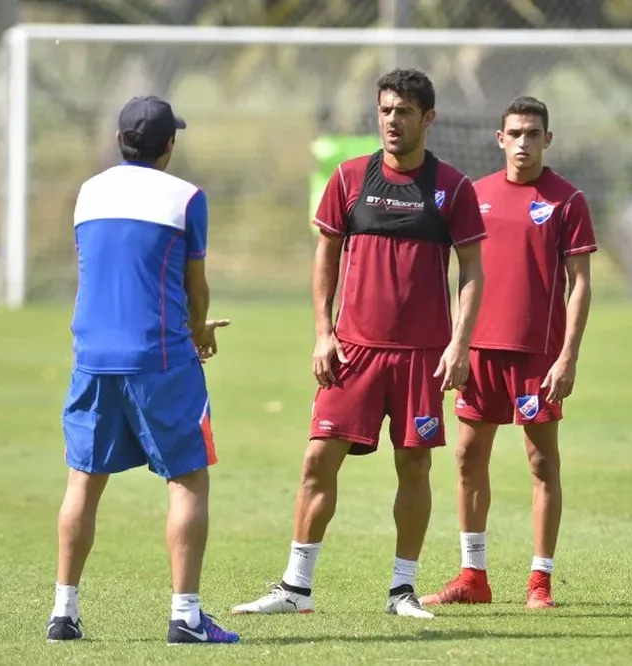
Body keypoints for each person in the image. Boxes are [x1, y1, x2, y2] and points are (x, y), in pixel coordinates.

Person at [230, 69, 486, 619]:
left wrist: (460, 345)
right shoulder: (348, 178)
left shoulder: (453, 187)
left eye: (405, 112)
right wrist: (323, 333)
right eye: (386, 110)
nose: (393, 120)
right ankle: (295, 588)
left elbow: (471, 271)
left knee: (414, 467)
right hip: (353, 352)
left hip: (421, 356)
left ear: (428, 119)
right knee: (317, 459)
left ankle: (402, 591)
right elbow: (325, 257)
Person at [45, 95, 239, 645]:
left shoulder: (88, 192)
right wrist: (198, 331)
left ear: (119, 140)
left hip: (92, 357)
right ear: (169, 145)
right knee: (189, 477)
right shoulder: (187, 198)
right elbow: (195, 287)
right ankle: (186, 617)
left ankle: (64, 612)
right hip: (160, 358)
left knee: (83, 480)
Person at [421, 96, 596, 610]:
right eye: (514, 133)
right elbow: (455, 273)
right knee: (467, 456)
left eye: (533, 134)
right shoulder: (476, 195)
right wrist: (456, 343)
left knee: (541, 462)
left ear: (548, 140)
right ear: (500, 140)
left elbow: (580, 285)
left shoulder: (567, 200)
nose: (523, 142)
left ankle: (540, 581)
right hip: (479, 352)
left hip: (537, 357)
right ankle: (472, 576)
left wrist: (568, 356)